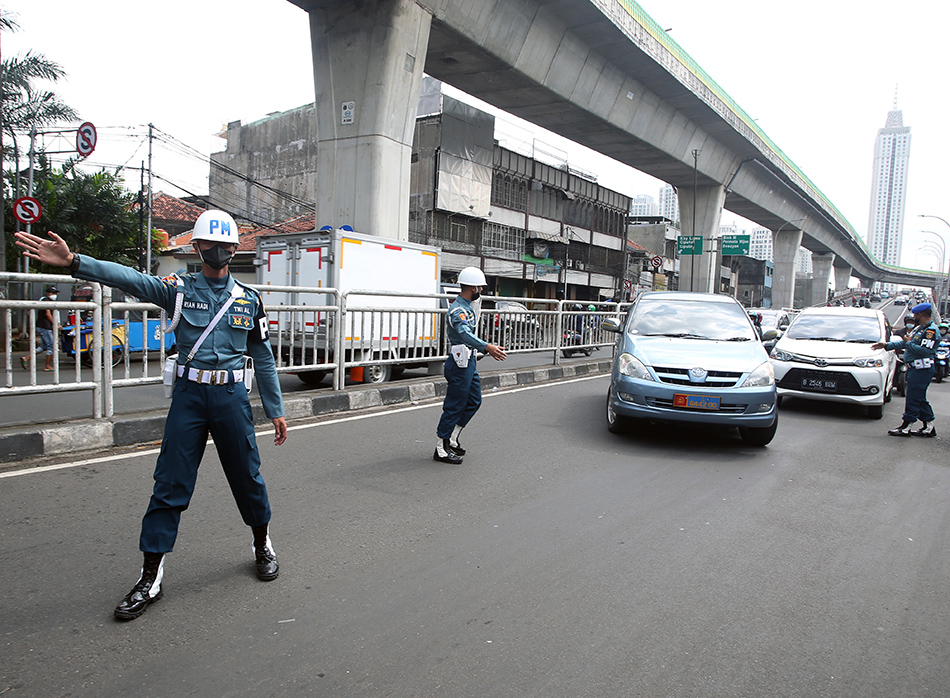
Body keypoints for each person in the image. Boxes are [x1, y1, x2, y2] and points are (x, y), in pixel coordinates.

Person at [15, 210, 288, 620]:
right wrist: (75, 263)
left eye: (226, 245)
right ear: (196, 248)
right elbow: (130, 278)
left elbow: (263, 357)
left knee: (247, 475)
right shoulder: (178, 289)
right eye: (209, 245)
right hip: (190, 397)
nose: (218, 251)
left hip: (231, 396)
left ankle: (262, 544)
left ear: (234, 249)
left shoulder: (249, 300)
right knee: (170, 483)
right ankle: (150, 577)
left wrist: (275, 409)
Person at [434, 267, 507, 464]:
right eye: (480, 287)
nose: (481, 291)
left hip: (469, 362)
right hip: (459, 364)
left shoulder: (467, 307)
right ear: (473, 287)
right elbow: (465, 334)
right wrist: (487, 346)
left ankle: (452, 438)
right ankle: (441, 447)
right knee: (455, 405)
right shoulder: (458, 310)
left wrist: (483, 349)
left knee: (474, 400)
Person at [873, 302, 938, 437]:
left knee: (914, 398)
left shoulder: (930, 331)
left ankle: (906, 425)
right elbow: (906, 342)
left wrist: (908, 343)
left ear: (920, 314)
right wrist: (886, 345)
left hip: (922, 369)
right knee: (919, 398)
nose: (914, 317)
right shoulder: (920, 329)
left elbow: (925, 351)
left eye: (915, 315)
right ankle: (929, 426)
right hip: (916, 369)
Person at [21, 285, 58, 371]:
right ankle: (47, 366)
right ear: (48, 294)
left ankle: (26, 358)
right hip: (45, 327)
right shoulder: (46, 301)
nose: (55, 295)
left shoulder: (44, 300)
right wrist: (55, 324)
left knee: (44, 346)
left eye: (55, 293)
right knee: (51, 346)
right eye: (53, 293)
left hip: (41, 326)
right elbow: (48, 314)